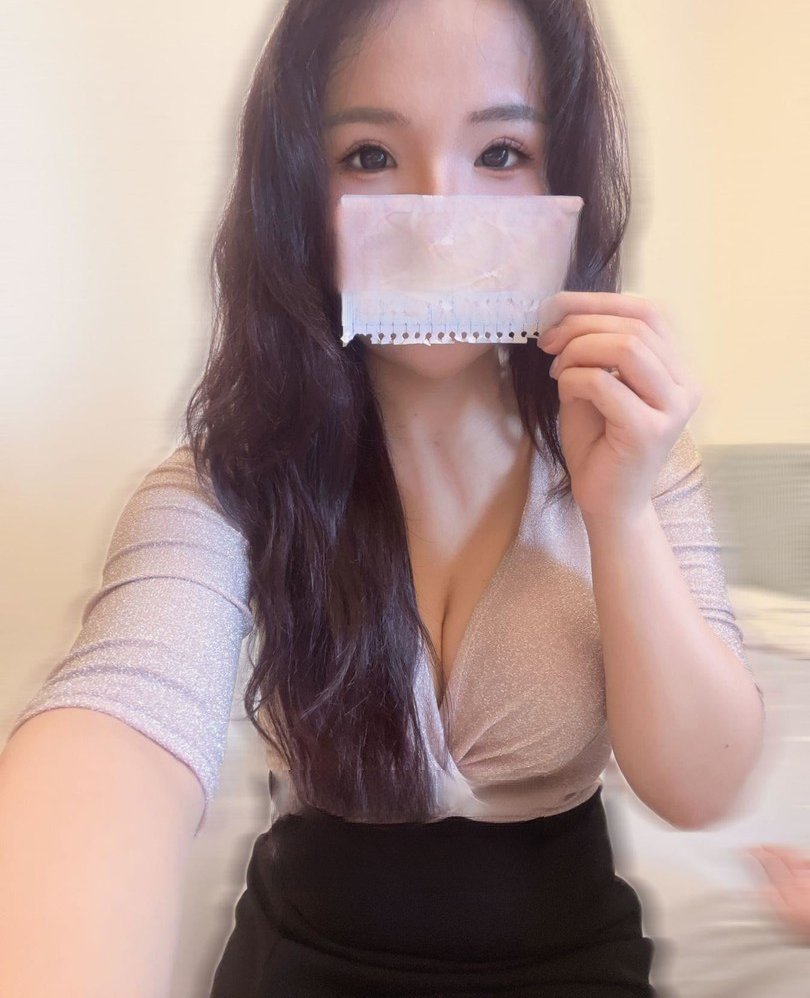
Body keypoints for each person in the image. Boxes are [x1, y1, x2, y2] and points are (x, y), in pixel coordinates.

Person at [0, 1, 766, 995]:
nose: (439, 214)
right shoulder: (228, 481)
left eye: (500, 153)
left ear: (563, 180)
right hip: (304, 955)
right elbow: (120, 715)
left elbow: (700, 787)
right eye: (370, 156)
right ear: (299, 191)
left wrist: (619, 511)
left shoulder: (643, 454)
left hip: (572, 955)